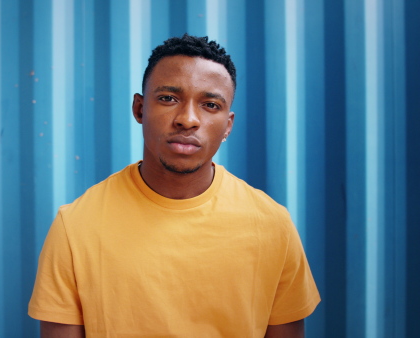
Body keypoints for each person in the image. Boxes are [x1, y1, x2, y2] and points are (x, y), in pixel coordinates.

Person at [28, 34, 320, 337]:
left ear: (228, 126)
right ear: (140, 109)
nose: (188, 119)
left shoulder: (273, 226)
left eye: (210, 104)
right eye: (168, 98)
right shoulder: (76, 227)